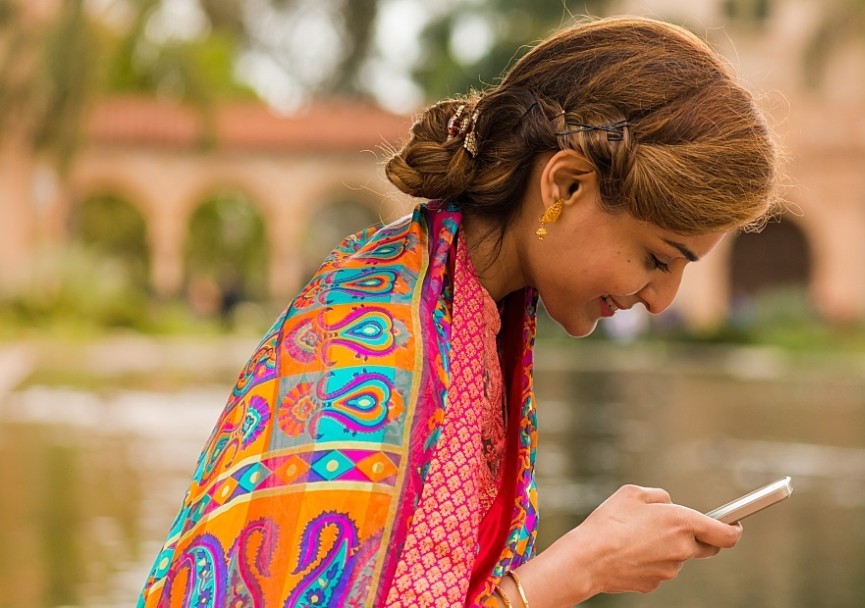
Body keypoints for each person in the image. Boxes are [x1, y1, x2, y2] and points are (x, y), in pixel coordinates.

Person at [137, 16, 781, 608]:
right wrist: (581, 567)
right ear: (565, 185)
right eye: (657, 258)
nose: (661, 300)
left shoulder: (461, 304)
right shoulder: (380, 347)